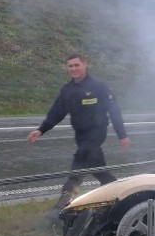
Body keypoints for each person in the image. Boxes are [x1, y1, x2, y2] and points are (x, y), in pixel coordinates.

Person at [28, 54, 131, 218]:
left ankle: (61, 207)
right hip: (81, 135)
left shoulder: (98, 86)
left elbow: (114, 111)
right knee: (100, 171)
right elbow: (56, 112)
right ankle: (123, 197)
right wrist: (41, 130)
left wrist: (122, 134)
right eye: (70, 66)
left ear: (85, 65)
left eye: (77, 65)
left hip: (97, 132)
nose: (74, 69)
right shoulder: (67, 90)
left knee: (80, 161)